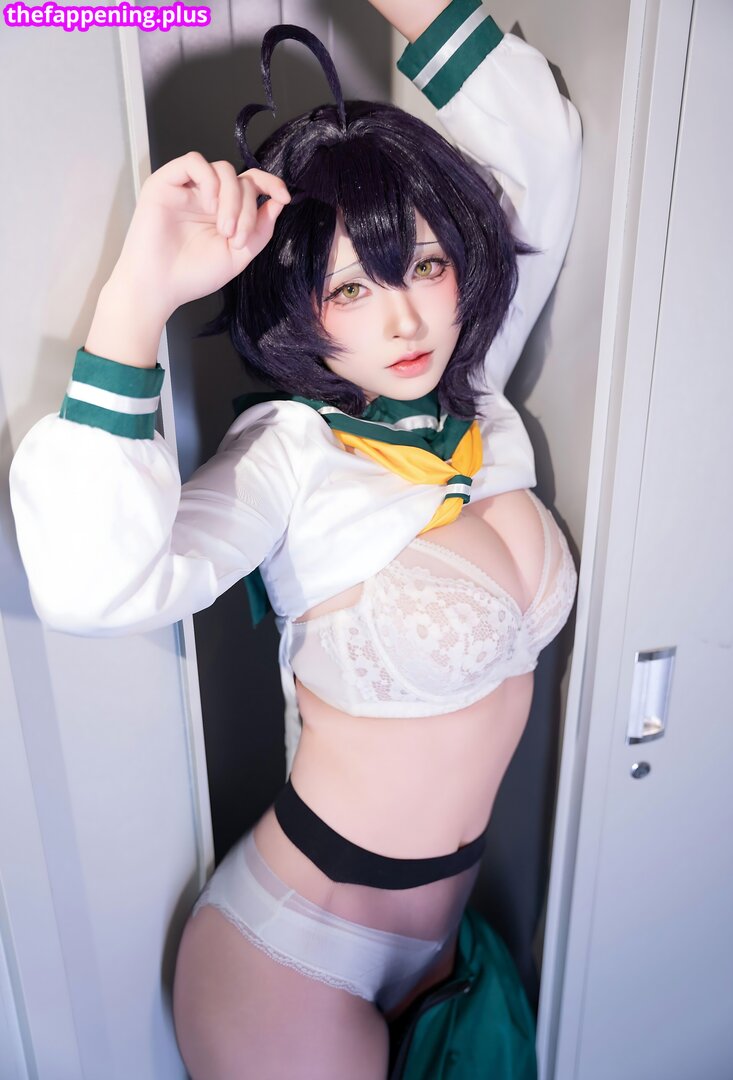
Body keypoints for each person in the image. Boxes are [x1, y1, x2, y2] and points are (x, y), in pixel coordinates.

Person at [9, 0, 582, 1076]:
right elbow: (98, 585)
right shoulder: (290, 451)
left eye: (424, 266)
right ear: (298, 308)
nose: (403, 322)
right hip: (288, 959)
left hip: (443, 946)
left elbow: (537, 155)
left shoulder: (471, 391)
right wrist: (139, 295)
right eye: (350, 289)